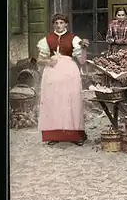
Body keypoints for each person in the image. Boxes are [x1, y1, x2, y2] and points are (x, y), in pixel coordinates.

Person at [36, 14, 89, 146]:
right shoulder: (46, 40)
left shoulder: (74, 39)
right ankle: (54, 135)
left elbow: (82, 60)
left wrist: (83, 48)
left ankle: (75, 135)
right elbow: (39, 60)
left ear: (66, 24)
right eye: (56, 23)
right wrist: (48, 60)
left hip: (69, 73)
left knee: (71, 102)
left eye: (61, 23)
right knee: (54, 102)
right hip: (52, 74)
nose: (59, 25)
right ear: (53, 25)